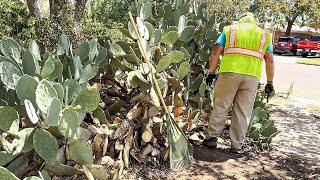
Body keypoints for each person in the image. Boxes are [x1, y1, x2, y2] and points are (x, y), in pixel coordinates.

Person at [203, 13, 275, 154]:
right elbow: (270, 60)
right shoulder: (264, 35)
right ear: (254, 22)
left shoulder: (229, 30)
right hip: (252, 77)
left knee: (221, 105)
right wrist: (270, 82)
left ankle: (212, 138)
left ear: (240, 20)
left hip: (229, 73)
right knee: (243, 111)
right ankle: (237, 146)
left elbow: (215, 53)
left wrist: (211, 72)